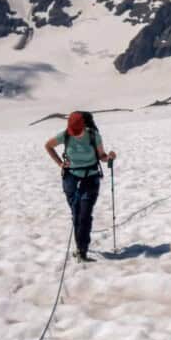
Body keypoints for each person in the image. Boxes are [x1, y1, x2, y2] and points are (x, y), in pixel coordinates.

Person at [44, 111, 116, 262]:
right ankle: (80, 247)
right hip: (70, 178)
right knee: (76, 213)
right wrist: (60, 163)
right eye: (73, 132)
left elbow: (101, 156)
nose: (75, 135)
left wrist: (108, 157)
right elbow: (48, 146)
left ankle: (82, 250)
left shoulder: (93, 135)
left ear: (84, 126)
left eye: (77, 132)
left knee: (84, 214)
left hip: (90, 177)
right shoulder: (64, 135)